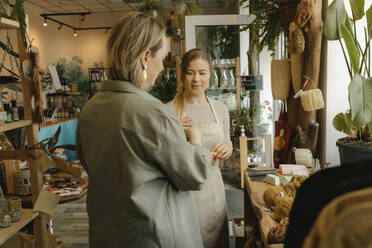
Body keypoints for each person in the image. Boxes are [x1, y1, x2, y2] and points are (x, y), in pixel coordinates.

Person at [77, 12, 213, 248]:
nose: (162, 66)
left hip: (108, 234)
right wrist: (196, 139)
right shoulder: (155, 113)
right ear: (145, 57)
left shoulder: (90, 110)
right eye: (162, 57)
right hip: (155, 237)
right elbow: (196, 174)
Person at [167, 48, 233, 248]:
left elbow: (228, 142)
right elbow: (163, 157)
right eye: (190, 72)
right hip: (181, 192)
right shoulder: (168, 110)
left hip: (213, 191)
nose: (196, 79)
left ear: (209, 75)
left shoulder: (220, 109)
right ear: (182, 75)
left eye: (202, 73)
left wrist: (227, 149)